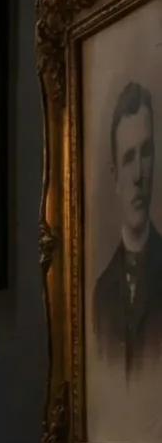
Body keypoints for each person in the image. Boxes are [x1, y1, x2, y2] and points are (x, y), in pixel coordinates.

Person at [92, 79, 162, 377]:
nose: (138, 175)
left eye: (145, 153)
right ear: (115, 176)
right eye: (128, 158)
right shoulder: (100, 295)